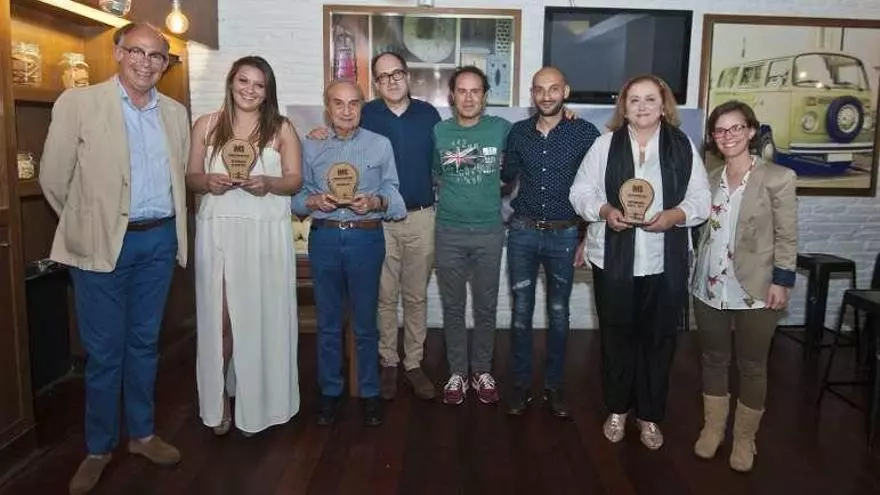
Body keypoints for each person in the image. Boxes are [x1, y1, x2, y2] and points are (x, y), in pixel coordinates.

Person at [39, 23, 190, 495]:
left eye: (156, 56)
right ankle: (99, 448)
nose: (146, 62)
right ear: (118, 52)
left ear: (165, 64)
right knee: (105, 353)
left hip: (158, 241)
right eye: (137, 52)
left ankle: (142, 435)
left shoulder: (175, 113)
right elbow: (53, 179)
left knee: (145, 343)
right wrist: (89, 223)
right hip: (103, 244)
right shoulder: (79, 103)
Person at [569, 74, 711, 450]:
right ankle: (617, 409)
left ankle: (649, 416)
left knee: (659, 340)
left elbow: (701, 198)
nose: (642, 106)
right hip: (613, 259)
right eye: (634, 99)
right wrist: (604, 210)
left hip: (664, 261)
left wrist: (675, 216)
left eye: (650, 99)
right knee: (616, 337)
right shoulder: (604, 145)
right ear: (624, 107)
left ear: (663, 105)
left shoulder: (682, 145)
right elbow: (579, 191)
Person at [307, 51, 440, 400]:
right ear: (375, 84)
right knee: (384, 296)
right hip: (376, 221)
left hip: (421, 217)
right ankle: (388, 361)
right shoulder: (367, 114)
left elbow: (443, 160)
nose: (391, 81)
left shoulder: (429, 114)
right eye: (382, 76)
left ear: (407, 75)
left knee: (416, 296)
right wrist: (320, 133)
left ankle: (414, 363)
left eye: (397, 73)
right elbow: (341, 133)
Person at [187, 56, 303, 437]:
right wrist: (208, 181)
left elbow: (295, 180)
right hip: (218, 230)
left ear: (268, 92)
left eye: (259, 84)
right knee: (220, 320)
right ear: (231, 82)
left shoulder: (281, 128)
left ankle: (257, 405)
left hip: (264, 233)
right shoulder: (206, 124)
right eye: (243, 81)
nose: (250, 90)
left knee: (259, 319)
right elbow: (190, 177)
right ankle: (218, 397)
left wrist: (269, 184)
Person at [292, 79, 406, 426]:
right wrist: (313, 200)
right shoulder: (310, 146)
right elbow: (296, 200)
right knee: (327, 322)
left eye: (353, 103)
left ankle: (369, 392)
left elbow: (394, 196)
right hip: (325, 237)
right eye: (338, 103)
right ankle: (330, 391)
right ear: (327, 107)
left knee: (366, 323)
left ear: (362, 107)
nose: (346, 110)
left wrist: (375, 201)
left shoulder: (380, 145)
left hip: (366, 239)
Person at [691, 100, 797, 472]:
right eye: (720, 130)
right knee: (713, 359)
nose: (728, 136)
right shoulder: (708, 178)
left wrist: (782, 281)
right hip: (708, 285)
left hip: (757, 286)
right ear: (713, 137)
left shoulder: (778, 177)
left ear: (751, 131)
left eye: (736, 127)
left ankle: (744, 438)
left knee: (752, 365)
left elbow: (787, 236)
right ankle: (713, 429)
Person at [502, 67, 600, 418]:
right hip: (523, 232)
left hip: (564, 234)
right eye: (540, 89)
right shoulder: (518, 133)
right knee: (520, 313)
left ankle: (555, 386)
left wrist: (587, 237)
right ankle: (520, 384)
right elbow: (506, 177)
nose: (546, 96)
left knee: (559, 313)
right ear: (532, 93)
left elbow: (595, 187)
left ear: (565, 91)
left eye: (553, 88)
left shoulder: (584, 133)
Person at [434, 66, 511, 406]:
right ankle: (457, 372)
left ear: (484, 96)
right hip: (448, 231)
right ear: (452, 96)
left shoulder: (502, 129)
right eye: (462, 91)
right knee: (452, 306)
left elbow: (536, 137)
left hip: (489, 231)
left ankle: (481, 370)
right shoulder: (439, 132)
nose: (468, 98)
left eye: (475, 91)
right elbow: (436, 173)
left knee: (485, 306)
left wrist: (565, 117)